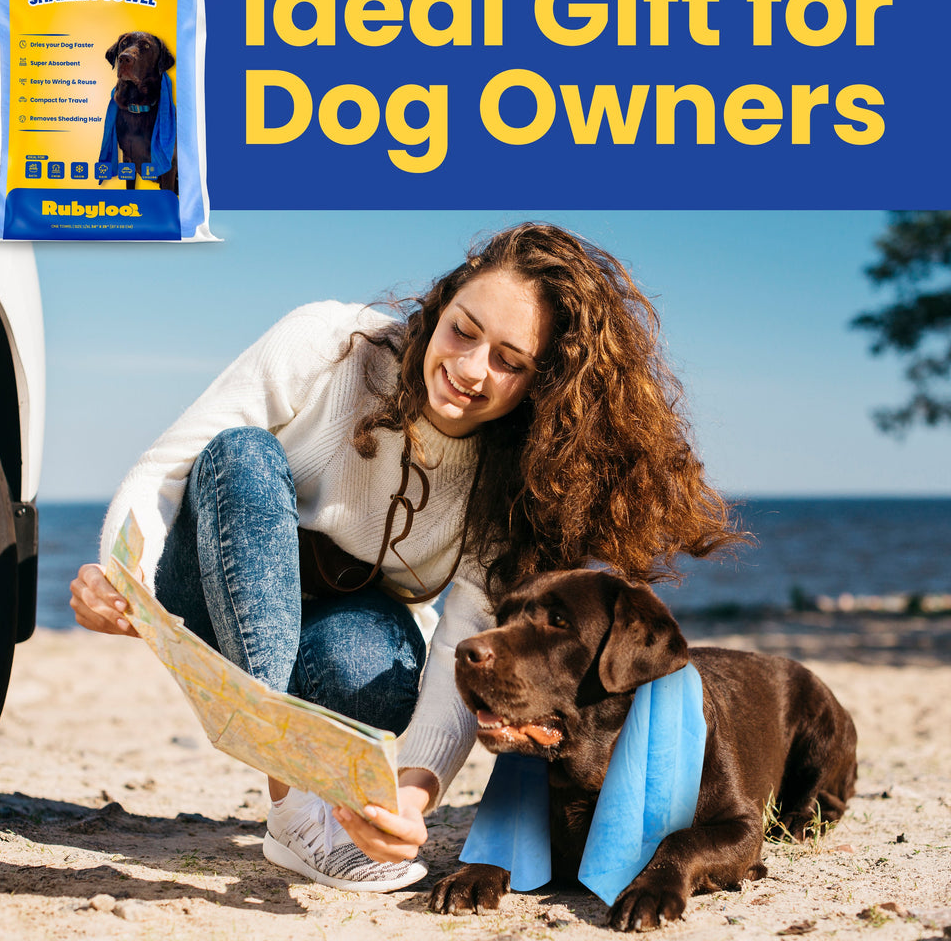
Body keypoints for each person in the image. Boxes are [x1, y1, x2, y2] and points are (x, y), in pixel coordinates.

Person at [70, 222, 744, 893]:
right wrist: (121, 578)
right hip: (208, 573)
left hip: (337, 620)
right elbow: (167, 469)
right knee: (242, 456)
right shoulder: (330, 344)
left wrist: (410, 799)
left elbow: (463, 643)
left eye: (510, 361)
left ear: (544, 385)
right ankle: (294, 803)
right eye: (463, 330)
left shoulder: (511, 489)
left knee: (388, 670)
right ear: (441, 304)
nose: (471, 368)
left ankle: (299, 803)